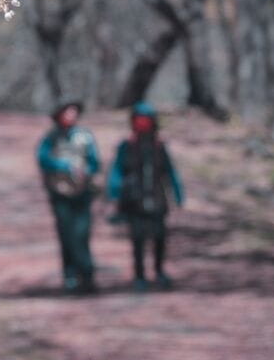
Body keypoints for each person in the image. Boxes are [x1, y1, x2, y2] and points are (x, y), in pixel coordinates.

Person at [106, 100, 185, 291]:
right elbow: (116, 170)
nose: (142, 124)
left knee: (159, 237)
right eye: (139, 120)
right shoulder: (126, 146)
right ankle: (139, 276)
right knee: (138, 239)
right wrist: (113, 192)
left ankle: (159, 271)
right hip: (134, 200)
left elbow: (170, 172)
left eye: (146, 120)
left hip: (158, 199)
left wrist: (178, 194)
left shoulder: (159, 146)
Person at [36, 99, 100, 293]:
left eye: (74, 112)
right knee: (66, 234)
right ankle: (70, 275)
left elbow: (95, 162)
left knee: (82, 233)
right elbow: (42, 159)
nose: (71, 116)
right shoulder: (51, 137)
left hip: (82, 192)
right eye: (67, 112)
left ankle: (87, 274)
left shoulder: (85, 136)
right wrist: (64, 166)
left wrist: (86, 170)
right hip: (60, 193)